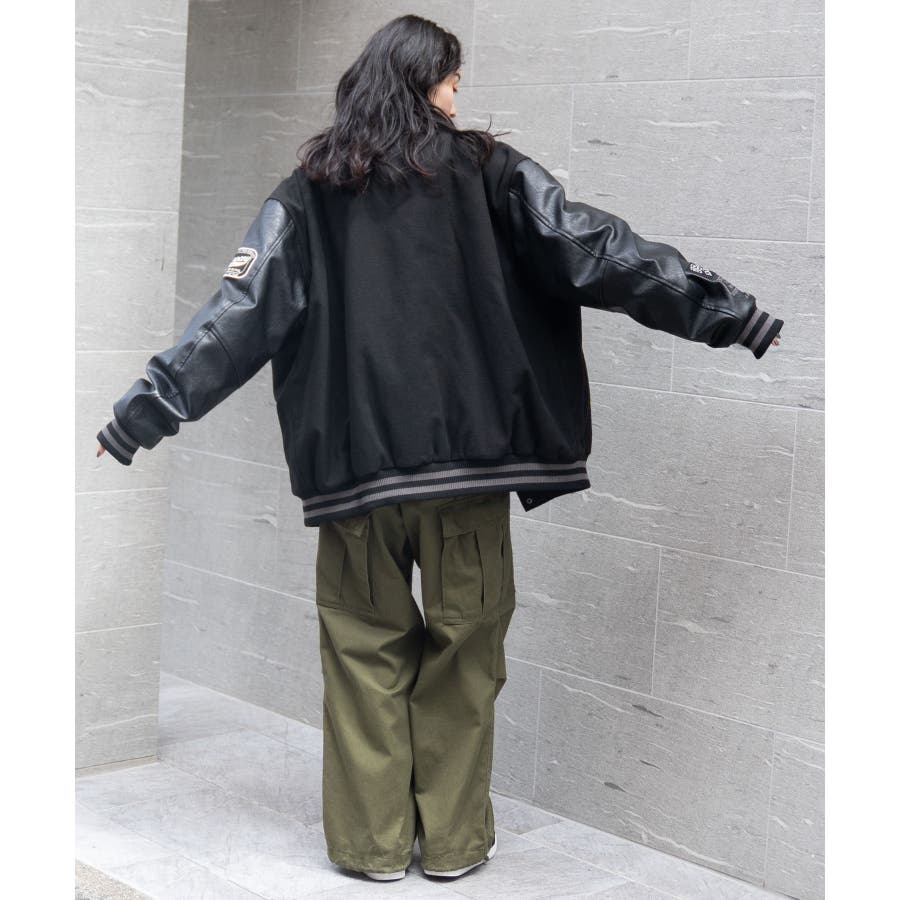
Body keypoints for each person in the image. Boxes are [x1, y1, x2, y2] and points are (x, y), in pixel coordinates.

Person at [95, 13, 783, 883]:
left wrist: (144, 410)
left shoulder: (308, 194)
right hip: (470, 477)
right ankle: (453, 845)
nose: (458, 100)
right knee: (466, 657)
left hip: (358, 484)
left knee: (362, 655)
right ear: (426, 82)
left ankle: (372, 848)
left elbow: (238, 313)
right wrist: (725, 312)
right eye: (454, 82)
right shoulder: (492, 174)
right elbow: (600, 250)